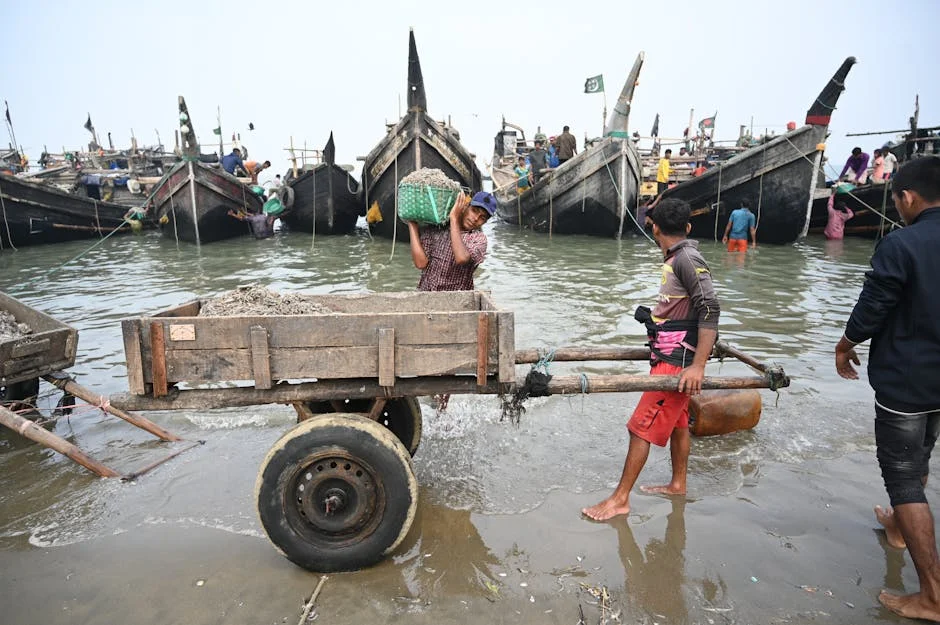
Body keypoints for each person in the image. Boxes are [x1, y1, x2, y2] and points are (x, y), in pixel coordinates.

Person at [835, 156, 940, 621]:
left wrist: (845, 344)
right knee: (920, 458)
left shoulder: (902, 244)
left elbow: (873, 304)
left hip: (908, 380)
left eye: (897, 198)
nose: (896, 205)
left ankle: (932, 596)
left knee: (901, 475)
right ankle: (898, 529)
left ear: (908, 197)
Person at [582, 198, 720, 521]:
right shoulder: (677, 257)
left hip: (677, 362)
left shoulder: (687, 258)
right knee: (679, 423)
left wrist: (698, 366)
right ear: (686, 227)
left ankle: (620, 499)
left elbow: (710, 308)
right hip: (672, 355)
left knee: (639, 428)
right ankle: (678, 483)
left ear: (654, 226)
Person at [407, 191, 496, 292]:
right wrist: (412, 223)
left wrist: (454, 218)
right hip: (426, 295)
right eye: (474, 210)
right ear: (465, 206)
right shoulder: (438, 229)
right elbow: (420, 264)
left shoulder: (479, 239)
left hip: (457, 299)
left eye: (482, 218)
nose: (476, 218)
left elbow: (461, 258)